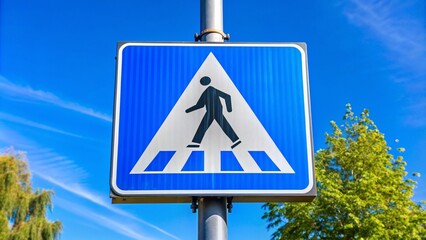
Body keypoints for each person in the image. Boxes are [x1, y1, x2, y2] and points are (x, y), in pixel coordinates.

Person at [186, 76, 241, 149]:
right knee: (218, 125)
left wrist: (229, 109)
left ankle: (196, 142)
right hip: (211, 111)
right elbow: (200, 105)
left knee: (206, 125)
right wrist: (188, 110)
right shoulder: (207, 91)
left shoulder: (211, 89)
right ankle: (236, 140)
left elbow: (227, 96)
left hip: (216, 111)